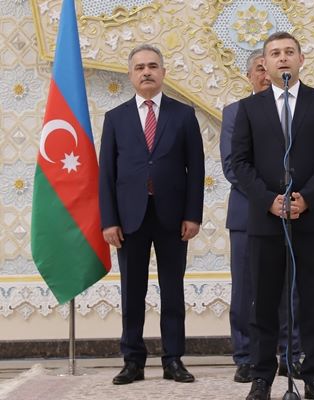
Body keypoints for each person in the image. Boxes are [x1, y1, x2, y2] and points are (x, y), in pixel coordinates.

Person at [231, 31, 314, 400]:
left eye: (289, 52)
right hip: (266, 219)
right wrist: (268, 201)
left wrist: (306, 198)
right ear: (264, 63)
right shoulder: (249, 108)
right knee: (263, 303)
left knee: (311, 302)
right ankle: (262, 378)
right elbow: (240, 163)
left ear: (301, 59)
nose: (283, 58)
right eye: (275, 53)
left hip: (311, 218)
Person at [99, 44, 205, 385]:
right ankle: (132, 361)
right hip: (129, 219)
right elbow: (106, 173)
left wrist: (193, 215)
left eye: (153, 66)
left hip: (173, 218)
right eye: (140, 67)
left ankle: (173, 359)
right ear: (131, 75)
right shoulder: (115, 118)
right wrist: (109, 220)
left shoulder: (183, 115)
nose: (146, 72)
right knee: (132, 292)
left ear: (163, 72)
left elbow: (196, 169)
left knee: (172, 291)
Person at [220, 49, 302, 384]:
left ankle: (290, 354)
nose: (265, 75)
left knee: (289, 288)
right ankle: (245, 357)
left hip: (292, 211)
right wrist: (268, 199)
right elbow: (232, 167)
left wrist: (290, 198)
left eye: (267, 68)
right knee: (246, 290)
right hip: (248, 213)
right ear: (251, 75)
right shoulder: (235, 111)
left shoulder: (295, 109)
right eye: (258, 69)